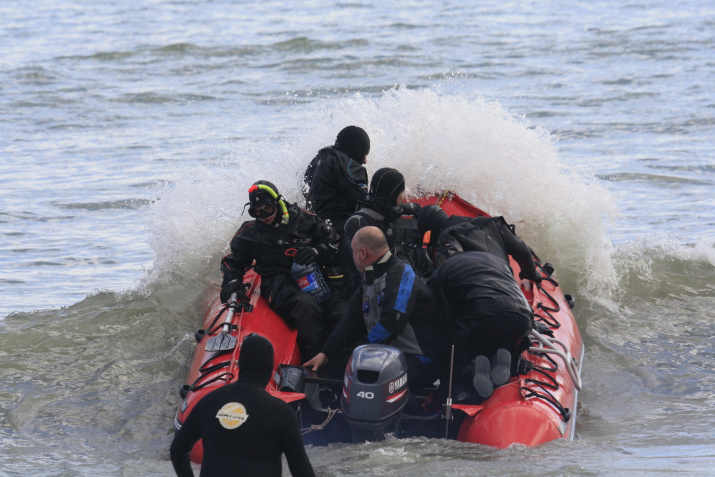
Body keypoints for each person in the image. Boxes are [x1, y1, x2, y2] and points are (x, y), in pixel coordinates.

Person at [304, 226, 445, 390]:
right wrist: (325, 354)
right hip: (385, 353)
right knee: (334, 369)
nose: (353, 257)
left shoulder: (403, 276)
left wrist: (358, 352)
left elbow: (392, 323)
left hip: (418, 357)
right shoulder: (370, 277)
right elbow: (349, 321)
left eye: (354, 252)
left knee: (369, 382)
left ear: (363, 253)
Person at [220, 180, 347, 360]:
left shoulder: (306, 220)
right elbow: (233, 262)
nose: (264, 216)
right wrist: (232, 282)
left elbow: (336, 244)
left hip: (315, 277)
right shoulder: (249, 234)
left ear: (277, 203)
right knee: (307, 307)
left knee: (342, 311)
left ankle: (343, 358)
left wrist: (317, 251)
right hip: (279, 284)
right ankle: (314, 359)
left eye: (267, 209)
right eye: (257, 212)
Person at [170, 334, 316, 477]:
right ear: (270, 369)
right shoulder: (280, 412)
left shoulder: (209, 401)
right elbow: (302, 470)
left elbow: (177, 450)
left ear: (240, 364)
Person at [427, 246, 534, 401]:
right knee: (497, 331)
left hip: (483, 314)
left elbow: (438, 313)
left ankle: (469, 371)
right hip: (523, 317)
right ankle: (505, 358)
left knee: (451, 350)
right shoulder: (497, 261)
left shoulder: (443, 269)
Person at [341, 167, 425, 290]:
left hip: (385, 278)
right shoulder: (359, 225)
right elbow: (368, 277)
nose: (403, 197)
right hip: (361, 292)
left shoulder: (381, 212)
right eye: (401, 193)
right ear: (392, 196)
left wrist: (406, 208)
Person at [417, 204, 541, 283]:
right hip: (511, 288)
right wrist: (531, 274)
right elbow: (523, 250)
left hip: (481, 299)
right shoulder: (492, 223)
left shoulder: (446, 238)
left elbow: (451, 273)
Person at [303, 125, 370, 232]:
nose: (365, 161)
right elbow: (363, 201)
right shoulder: (349, 164)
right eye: (365, 154)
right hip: (339, 228)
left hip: (314, 226)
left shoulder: (318, 159)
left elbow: (305, 189)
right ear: (356, 149)